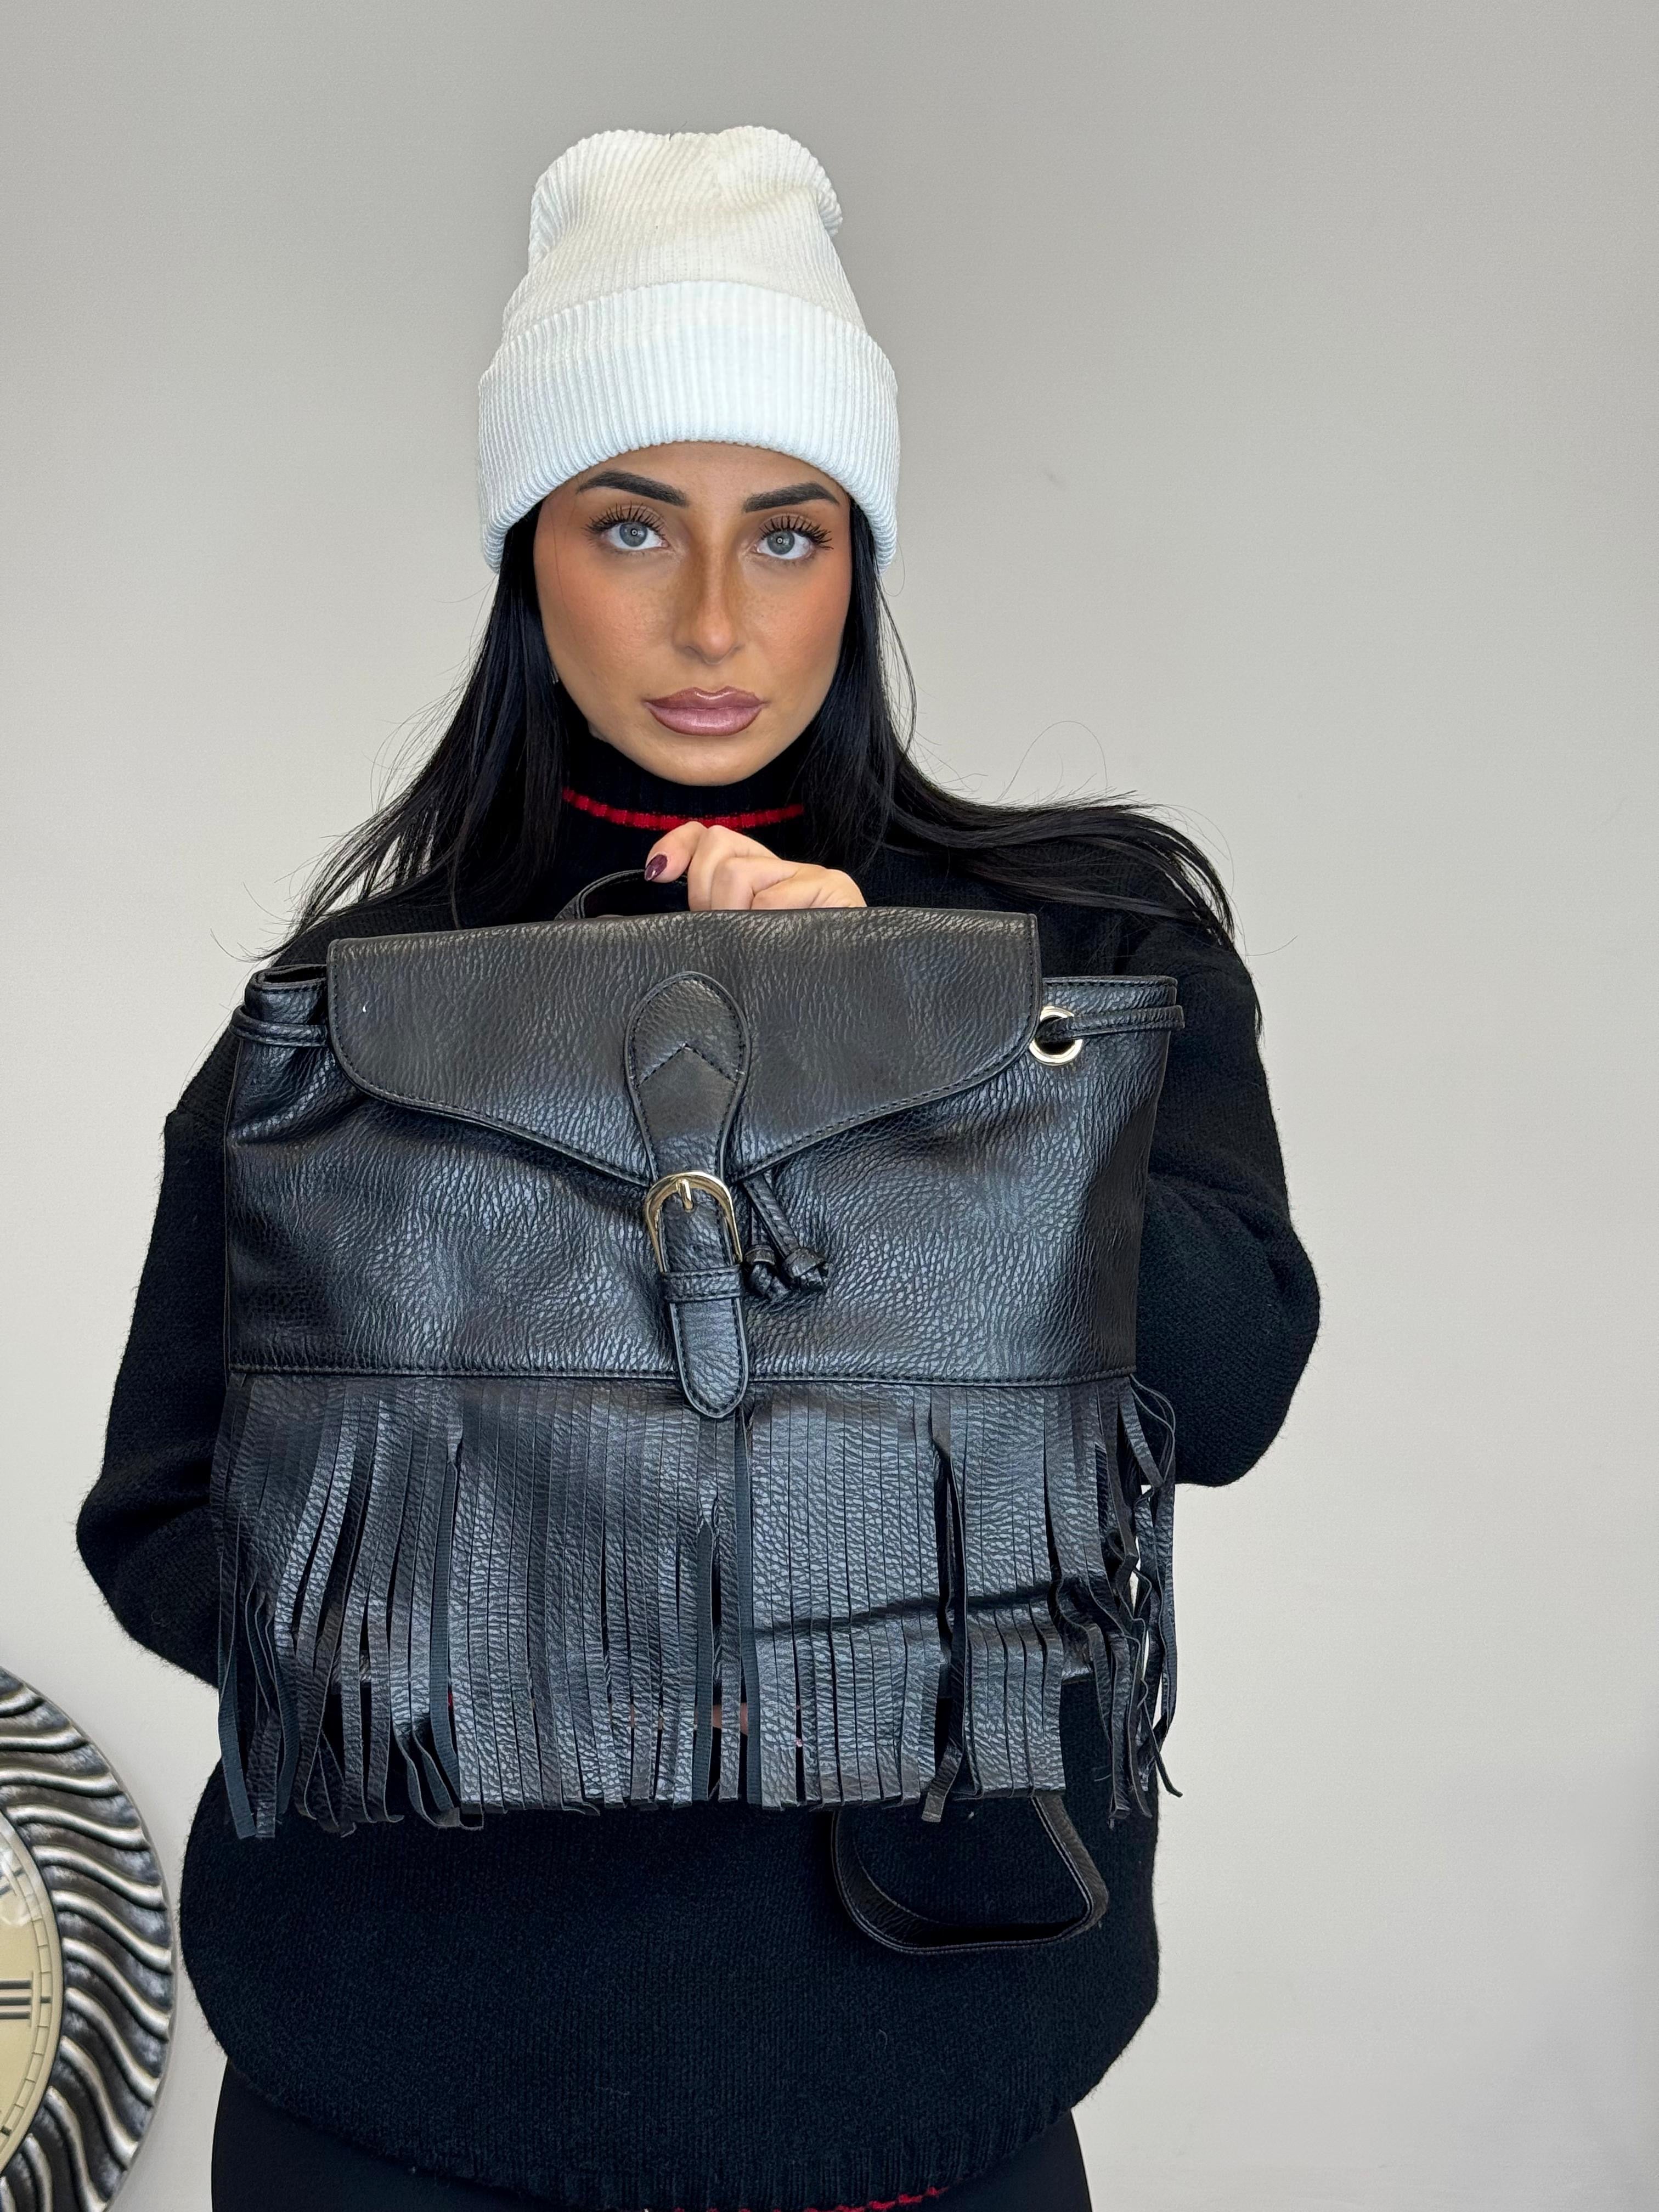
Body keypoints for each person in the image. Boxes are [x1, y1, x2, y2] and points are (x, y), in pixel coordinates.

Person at [75, 127, 1319, 2210]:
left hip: (917, 2095)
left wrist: (897, 1040)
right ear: (528, 554)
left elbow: (1236, 1374)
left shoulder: (1081, 956)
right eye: (635, 525)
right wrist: (567, 1662)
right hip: (405, 2103)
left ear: (862, 558)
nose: (718, 615)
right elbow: (163, 1517)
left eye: (791, 531)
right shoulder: (359, 1013)